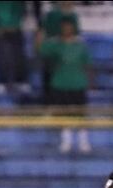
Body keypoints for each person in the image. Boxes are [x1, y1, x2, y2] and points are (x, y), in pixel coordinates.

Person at [36, 17, 91, 153]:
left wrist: (90, 82)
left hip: (78, 84)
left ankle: (83, 141)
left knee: (81, 113)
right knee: (63, 112)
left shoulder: (81, 46)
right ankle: (66, 141)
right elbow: (40, 50)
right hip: (60, 84)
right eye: (64, 27)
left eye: (69, 26)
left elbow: (88, 65)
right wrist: (38, 36)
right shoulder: (55, 45)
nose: (67, 29)